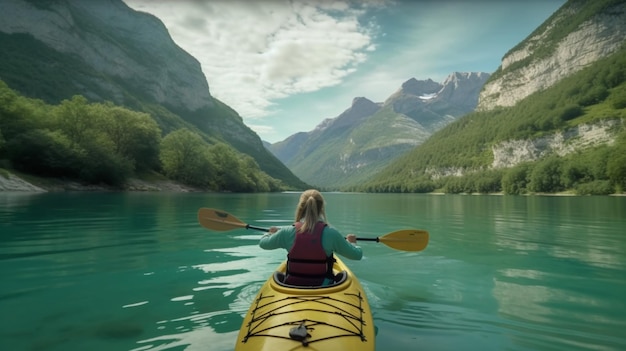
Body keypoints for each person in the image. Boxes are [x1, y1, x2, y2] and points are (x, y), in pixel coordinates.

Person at [259, 189, 363, 286]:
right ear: (321, 208)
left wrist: (270, 234)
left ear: (300, 207)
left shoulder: (286, 232)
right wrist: (352, 242)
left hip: (292, 284)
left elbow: (263, 243)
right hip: (323, 285)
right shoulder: (331, 233)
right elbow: (357, 255)